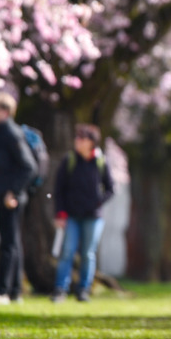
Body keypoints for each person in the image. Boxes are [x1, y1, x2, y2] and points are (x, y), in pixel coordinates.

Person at [0, 92, 37, 304]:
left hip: (11, 199)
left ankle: (3, 291)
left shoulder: (11, 134)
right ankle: (14, 292)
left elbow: (28, 167)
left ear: (6, 111)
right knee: (11, 243)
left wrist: (13, 192)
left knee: (9, 244)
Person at [51, 124, 114, 303]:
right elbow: (59, 188)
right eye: (77, 138)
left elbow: (111, 188)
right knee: (67, 251)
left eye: (81, 138)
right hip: (71, 215)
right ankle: (60, 289)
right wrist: (60, 213)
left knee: (88, 253)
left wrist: (98, 201)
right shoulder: (69, 160)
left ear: (91, 142)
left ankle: (83, 290)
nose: (77, 142)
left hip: (93, 217)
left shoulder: (101, 161)